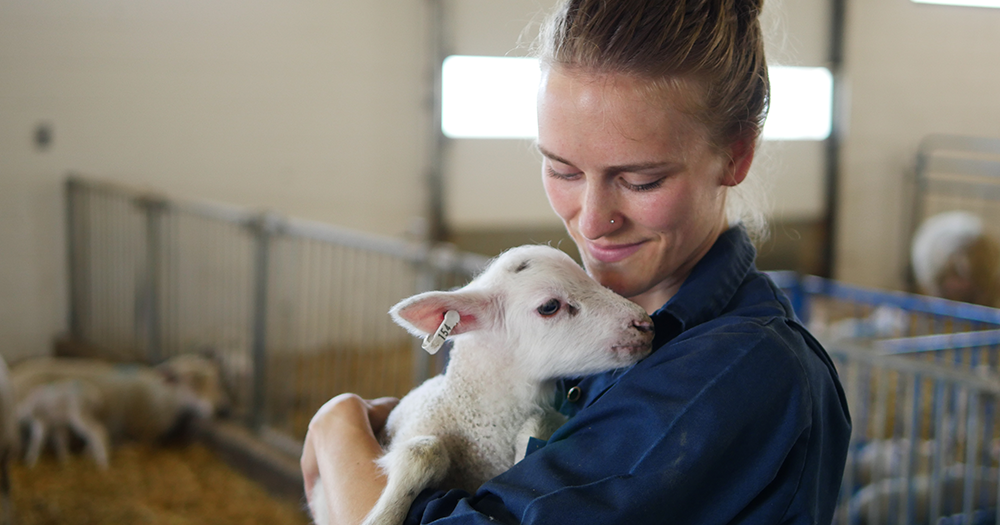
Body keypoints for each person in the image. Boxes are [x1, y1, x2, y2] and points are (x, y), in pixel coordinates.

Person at [301, 0, 852, 523]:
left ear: (736, 154)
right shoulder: (589, 336)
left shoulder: (741, 371)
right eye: (562, 170)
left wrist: (338, 429)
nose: (590, 223)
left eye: (642, 180)